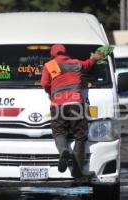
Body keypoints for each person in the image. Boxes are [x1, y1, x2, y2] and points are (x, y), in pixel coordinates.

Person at [41, 44, 104, 177]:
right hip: (75, 103)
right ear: (65, 53)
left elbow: (45, 84)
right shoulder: (75, 63)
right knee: (80, 136)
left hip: (57, 105)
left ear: (53, 54)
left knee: (59, 132)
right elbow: (87, 64)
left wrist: (52, 92)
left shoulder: (50, 65)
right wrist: (95, 58)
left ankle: (64, 150)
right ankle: (77, 169)